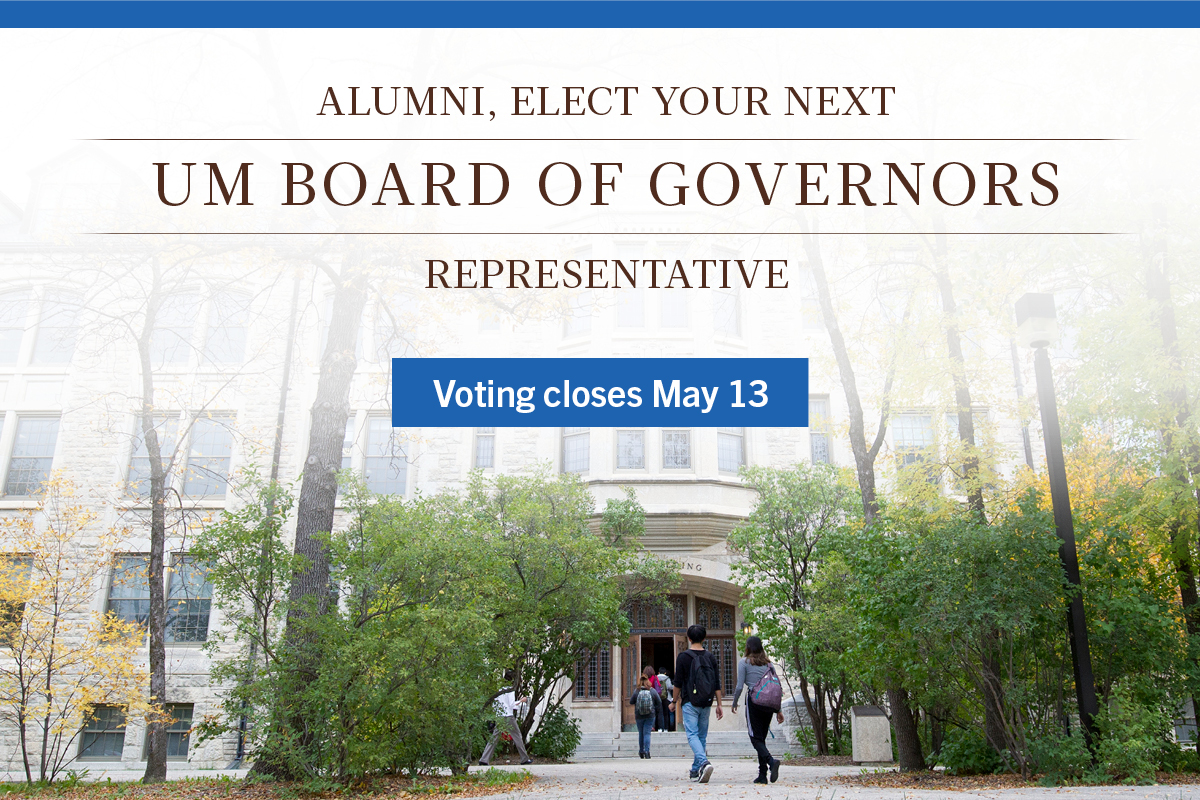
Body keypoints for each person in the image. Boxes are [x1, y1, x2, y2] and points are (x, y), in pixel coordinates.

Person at [730, 636, 784, 784]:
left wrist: (734, 702)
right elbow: (775, 686)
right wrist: (778, 710)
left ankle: (771, 762)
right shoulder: (768, 664)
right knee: (761, 738)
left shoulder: (744, 662)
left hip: (754, 701)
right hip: (769, 704)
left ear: (748, 647)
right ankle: (762, 775)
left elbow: (740, 686)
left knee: (755, 738)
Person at [674, 625, 723, 783]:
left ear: (688, 638)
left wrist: (674, 701)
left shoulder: (683, 657)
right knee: (701, 736)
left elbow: (678, 682)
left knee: (692, 735)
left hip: (690, 701)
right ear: (704, 638)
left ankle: (703, 762)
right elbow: (716, 683)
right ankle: (695, 771)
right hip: (707, 701)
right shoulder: (710, 657)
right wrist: (719, 704)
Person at [479, 669, 534, 767]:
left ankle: (484, 759)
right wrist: (521, 700)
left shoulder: (499, 690)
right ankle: (524, 759)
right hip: (508, 716)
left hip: (499, 716)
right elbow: (512, 705)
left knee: (494, 738)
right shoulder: (510, 690)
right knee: (517, 736)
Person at [629, 673, 663, 758]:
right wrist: (655, 710)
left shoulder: (637, 691)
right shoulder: (652, 690)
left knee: (641, 733)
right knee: (647, 733)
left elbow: (631, 701)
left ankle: (641, 751)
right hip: (650, 715)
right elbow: (659, 701)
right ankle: (647, 751)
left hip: (639, 715)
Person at [642, 666, 666, 731]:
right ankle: (661, 727)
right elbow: (659, 686)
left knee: (649, 712)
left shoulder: (644, 679)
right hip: (655, 696)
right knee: (659, 712)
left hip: (646, 696)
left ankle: (651, 726)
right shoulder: (655, 677)